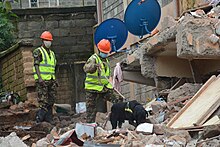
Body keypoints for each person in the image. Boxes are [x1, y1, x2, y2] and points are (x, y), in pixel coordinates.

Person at [83, 39, 122, 123]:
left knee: (119, 100)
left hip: (104, 87)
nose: (105, 53)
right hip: (92, 88)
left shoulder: (106, 61)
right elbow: (86, 68)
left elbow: (106, 76)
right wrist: (94, 66)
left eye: (106, 52)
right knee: (91, 110)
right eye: (104, 52)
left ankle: (119, 119)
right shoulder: (93, 59)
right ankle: (90, 128)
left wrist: (111, 85)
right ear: (99, 50)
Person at [33, 31, 57, 123]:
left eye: (49, 40)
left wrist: (54, 79)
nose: (48, 42)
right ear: (42, 41)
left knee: (51, 101)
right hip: (42, 81)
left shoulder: (52, 53)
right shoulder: (38, 51)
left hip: (51, 80)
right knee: (43, 102)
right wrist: (39, 78)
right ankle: (38, 120)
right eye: (46, 40)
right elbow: (36, 65)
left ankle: (49, 120)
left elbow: (52, 67)